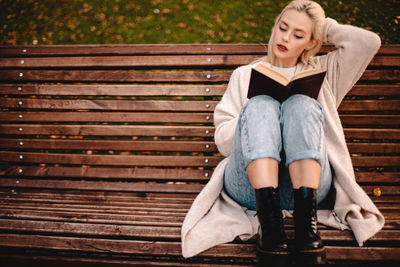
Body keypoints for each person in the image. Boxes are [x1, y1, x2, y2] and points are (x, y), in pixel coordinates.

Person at [181, 0, 384, 265]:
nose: (285, 38)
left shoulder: (324, 71)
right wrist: (254, 119)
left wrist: (323, 27)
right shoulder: (244, 75)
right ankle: (271, 229)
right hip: (251, 189)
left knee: (300, 104)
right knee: (260, 104)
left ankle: (305, 229)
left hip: (310, 190)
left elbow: (368, 43)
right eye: (282, 28)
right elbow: (223, 143)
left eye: (298, 35)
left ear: (311, 42)